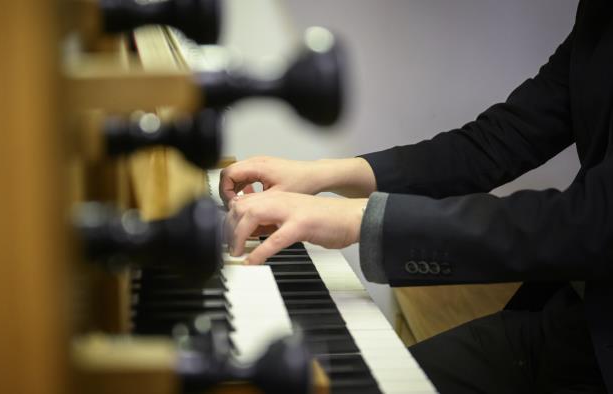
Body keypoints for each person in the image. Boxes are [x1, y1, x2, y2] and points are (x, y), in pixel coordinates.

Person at [219, 1, 613, 392]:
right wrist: (322, 173)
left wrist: (356, 219)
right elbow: (498, 141)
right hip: (575, 315)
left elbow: (592, 224)